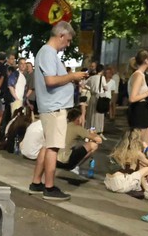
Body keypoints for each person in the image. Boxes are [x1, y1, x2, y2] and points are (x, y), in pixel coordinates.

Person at [29, 21, 87, 201]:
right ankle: (49, 186)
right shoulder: (48, 52)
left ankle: (37, 182)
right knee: (53, 148)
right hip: (54, 107)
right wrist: (73, 76)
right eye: (68, 40)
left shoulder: (47, 53)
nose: (68, 44)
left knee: (48, 146)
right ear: (61, 36)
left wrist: (71, 80)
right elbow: (51, 81)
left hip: (52, 106)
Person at [105, 129, 148, 201]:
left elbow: (135, 168)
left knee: (140, 167)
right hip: (121, 184)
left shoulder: (119, 150)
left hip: (111, 183)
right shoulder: (137, 153)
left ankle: (147, 190)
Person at [127, 49, 148, 156]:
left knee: (144, 146)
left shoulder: (140, 74)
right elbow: (132, 98)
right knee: (139, 146)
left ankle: (145, 169)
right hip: (139, 111)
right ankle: (142, 169)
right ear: (146, 60)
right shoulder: (138, 75)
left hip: (142, 111)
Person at [56, 107, 101, 174]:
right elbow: (99, 140)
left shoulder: (64, 125)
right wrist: (94, 134)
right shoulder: (77, 128)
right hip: (65, 162)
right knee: (93, 145)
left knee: (75, 145)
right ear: (78, 119)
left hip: (55, 160)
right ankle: (75, 167)